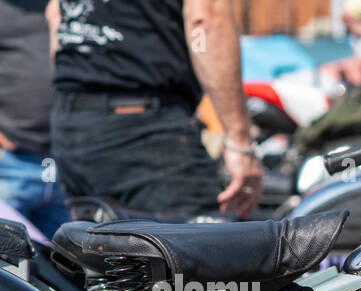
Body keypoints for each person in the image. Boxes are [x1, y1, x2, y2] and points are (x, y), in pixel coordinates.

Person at [46, 0, 262, 219]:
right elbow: (204, 22)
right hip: (143, 127)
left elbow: (55, 15)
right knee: (203, 245)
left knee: (97, 246)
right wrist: (240, 142)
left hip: (72, 121)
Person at [0, 0, 68, 239]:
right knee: (8, 262)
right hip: (12, 160)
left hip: (64, 164)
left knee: (63, 266)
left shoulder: (70, 8)